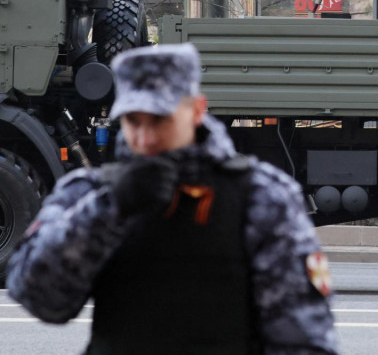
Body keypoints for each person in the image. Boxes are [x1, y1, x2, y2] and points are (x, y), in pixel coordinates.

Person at [6, 43, 341, 354]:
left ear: (197, 110)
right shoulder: (91, 193)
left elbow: (304, 334)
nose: (146, 136)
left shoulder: (260, 195)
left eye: (160, 120)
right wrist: (109, 209)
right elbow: (42, 298)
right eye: (134, 121)